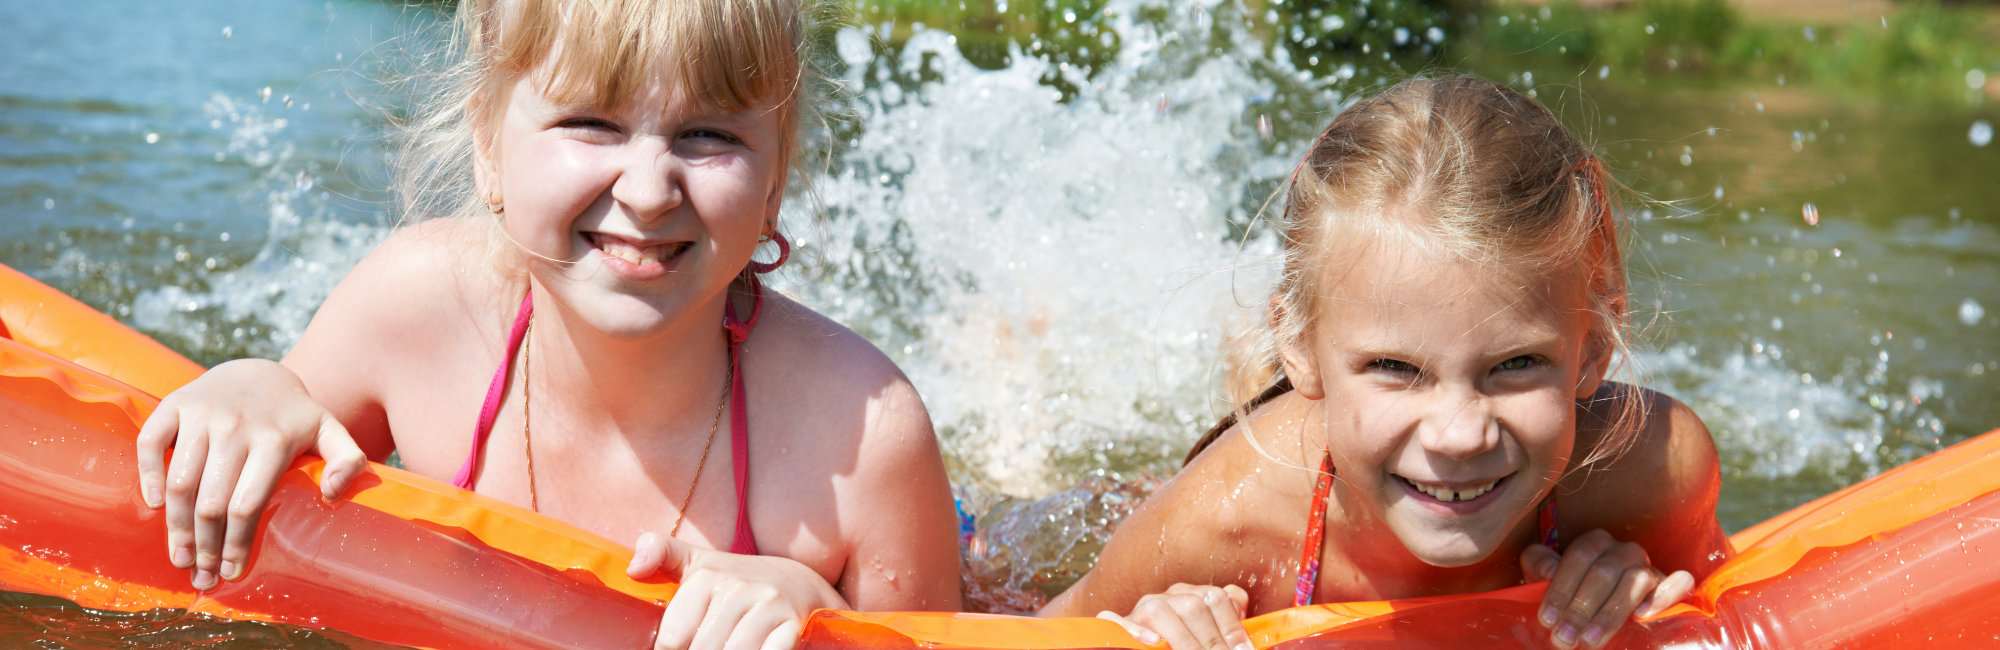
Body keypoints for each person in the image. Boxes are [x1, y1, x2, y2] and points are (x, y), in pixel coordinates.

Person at [133, 1, 962, 647]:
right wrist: (254, 383)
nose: (647, 190)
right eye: (590, 124)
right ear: (489, 144)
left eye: (708, 134)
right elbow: (265, 447)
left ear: (776, 177)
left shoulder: (864, 438)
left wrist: (818, 615)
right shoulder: (413, 310)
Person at [1042, 76, 1729, 650]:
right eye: (1396, 368)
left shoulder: (1650, 477)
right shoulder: (1224, 524)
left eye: (1517, 364)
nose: (1460, 434)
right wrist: (1148, 630)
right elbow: (1017, 627)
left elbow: (1738, 602)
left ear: (1595, 350)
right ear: (1301, 348)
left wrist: (1651, 588)